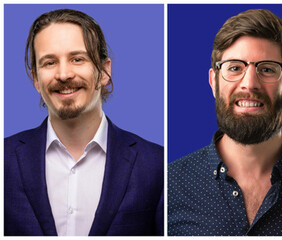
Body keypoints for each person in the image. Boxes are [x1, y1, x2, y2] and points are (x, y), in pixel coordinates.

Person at [167, 9, 282, 236]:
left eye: (268, 69)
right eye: (235, 68)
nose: (249, 84)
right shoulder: (170, 185)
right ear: (214, 82)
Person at [4, 9, 163, 236]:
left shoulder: (157, 165)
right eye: (49, 62)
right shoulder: (4, 159)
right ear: (36, 80)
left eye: (77, 59)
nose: (64, 74)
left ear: (104, 71)